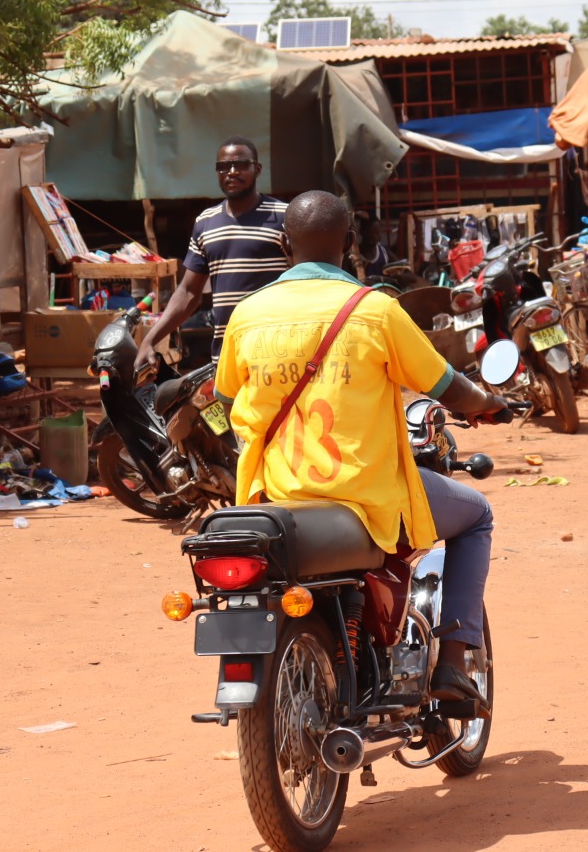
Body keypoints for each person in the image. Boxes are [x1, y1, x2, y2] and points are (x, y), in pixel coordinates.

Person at [215, 191, 509, 707]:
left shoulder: (247, 313)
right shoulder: (375, 311)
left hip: (274, 498)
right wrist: (488, 402)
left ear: (285, 245)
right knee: (477, 515)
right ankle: (457, 661)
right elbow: (445, 385)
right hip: (366, 498)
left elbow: (224, 399)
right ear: (350, 243)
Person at [134, 137, 288, 369]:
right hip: (227, 358)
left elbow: (306, 280)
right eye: (223, 167)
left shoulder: (285, 216)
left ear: (257, 169)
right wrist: (150, 340)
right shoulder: (206, 222)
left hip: (278, 354)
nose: (232, 172)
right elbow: (188, 292)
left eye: (241, 165)